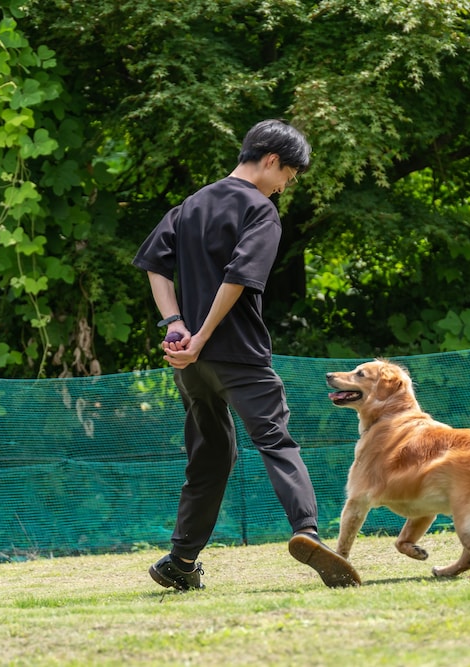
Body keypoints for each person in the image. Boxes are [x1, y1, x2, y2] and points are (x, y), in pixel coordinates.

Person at [133, 119, 361, 591]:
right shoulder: (260, 211)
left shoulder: (192, 204)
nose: (284, 188)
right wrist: (202, 335)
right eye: (288, 178)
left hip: (192, 365)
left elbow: (155, 264)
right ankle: (307, 531)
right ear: (272, 161)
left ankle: (180, 560)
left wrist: (178, 326)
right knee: (276, 441)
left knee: (209, 456)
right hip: (238, 354)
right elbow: (238, 279)